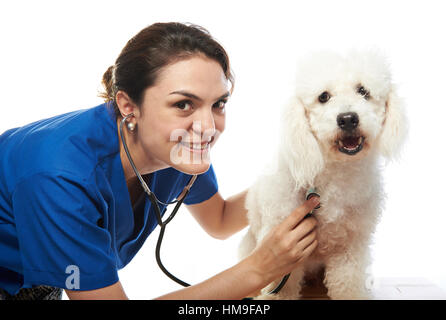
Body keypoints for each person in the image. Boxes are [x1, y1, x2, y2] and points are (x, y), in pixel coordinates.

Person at [0, 22, 319, 300]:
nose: (208, 128)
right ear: (127, 105)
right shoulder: (59, 179)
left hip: (38, 277)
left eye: (219, 104)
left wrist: (296, 179)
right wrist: (259, 268)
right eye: (184, 104)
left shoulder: (173, 150)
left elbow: (219, 220)